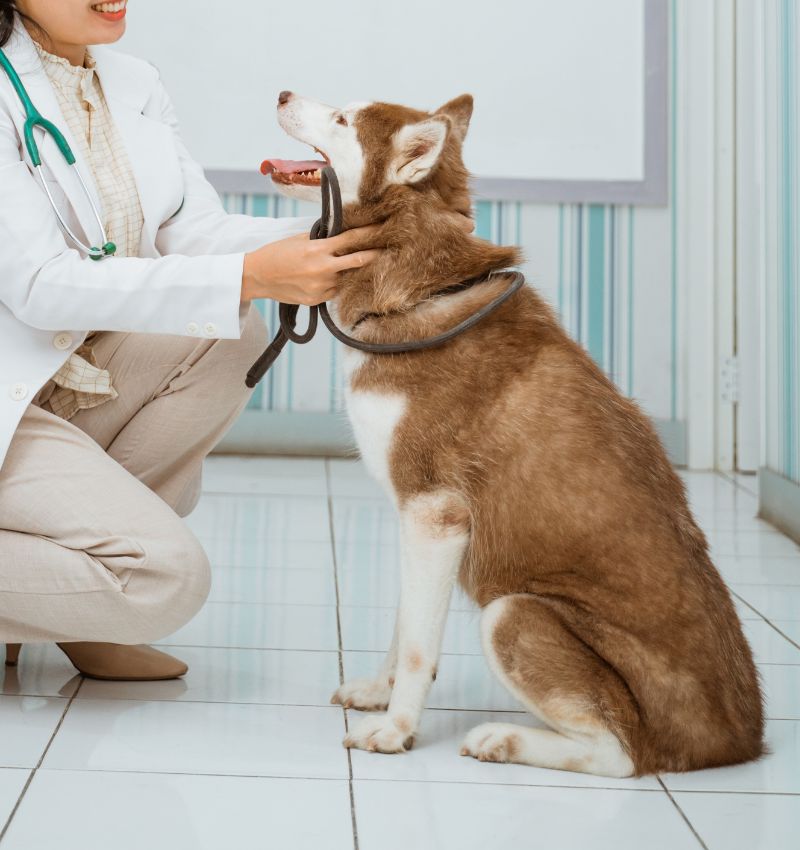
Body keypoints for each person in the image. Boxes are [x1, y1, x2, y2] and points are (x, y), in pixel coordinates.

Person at [0, 0, 383, 680]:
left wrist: (353, 233)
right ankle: (73, 595)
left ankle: (69, 610)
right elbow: (39, 284)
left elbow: (191, 234)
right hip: (13, 387)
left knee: (228, 332)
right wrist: (251, 274)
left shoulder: (131, 82)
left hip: (56, 375)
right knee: (164, 580)